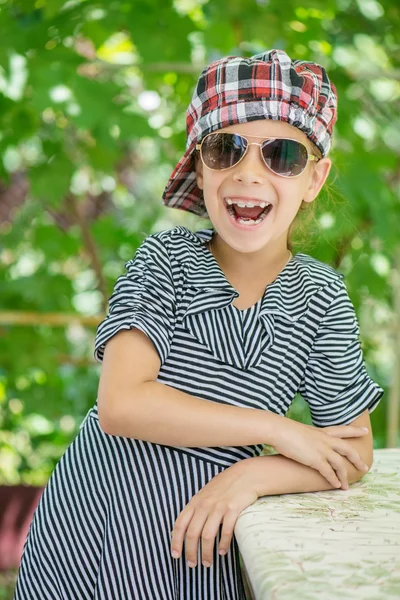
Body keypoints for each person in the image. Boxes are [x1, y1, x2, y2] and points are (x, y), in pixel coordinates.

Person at [14, 49, 384, 600]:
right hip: (91, 535)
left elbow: (351, 452)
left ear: (314, 177)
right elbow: (122, 405)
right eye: (225, 148)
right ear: (199, 164)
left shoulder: (322, 298)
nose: (248, 173)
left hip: (200, 550)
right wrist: (275, 429)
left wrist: (252, 477)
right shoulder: (166, 259)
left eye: (281, 154)